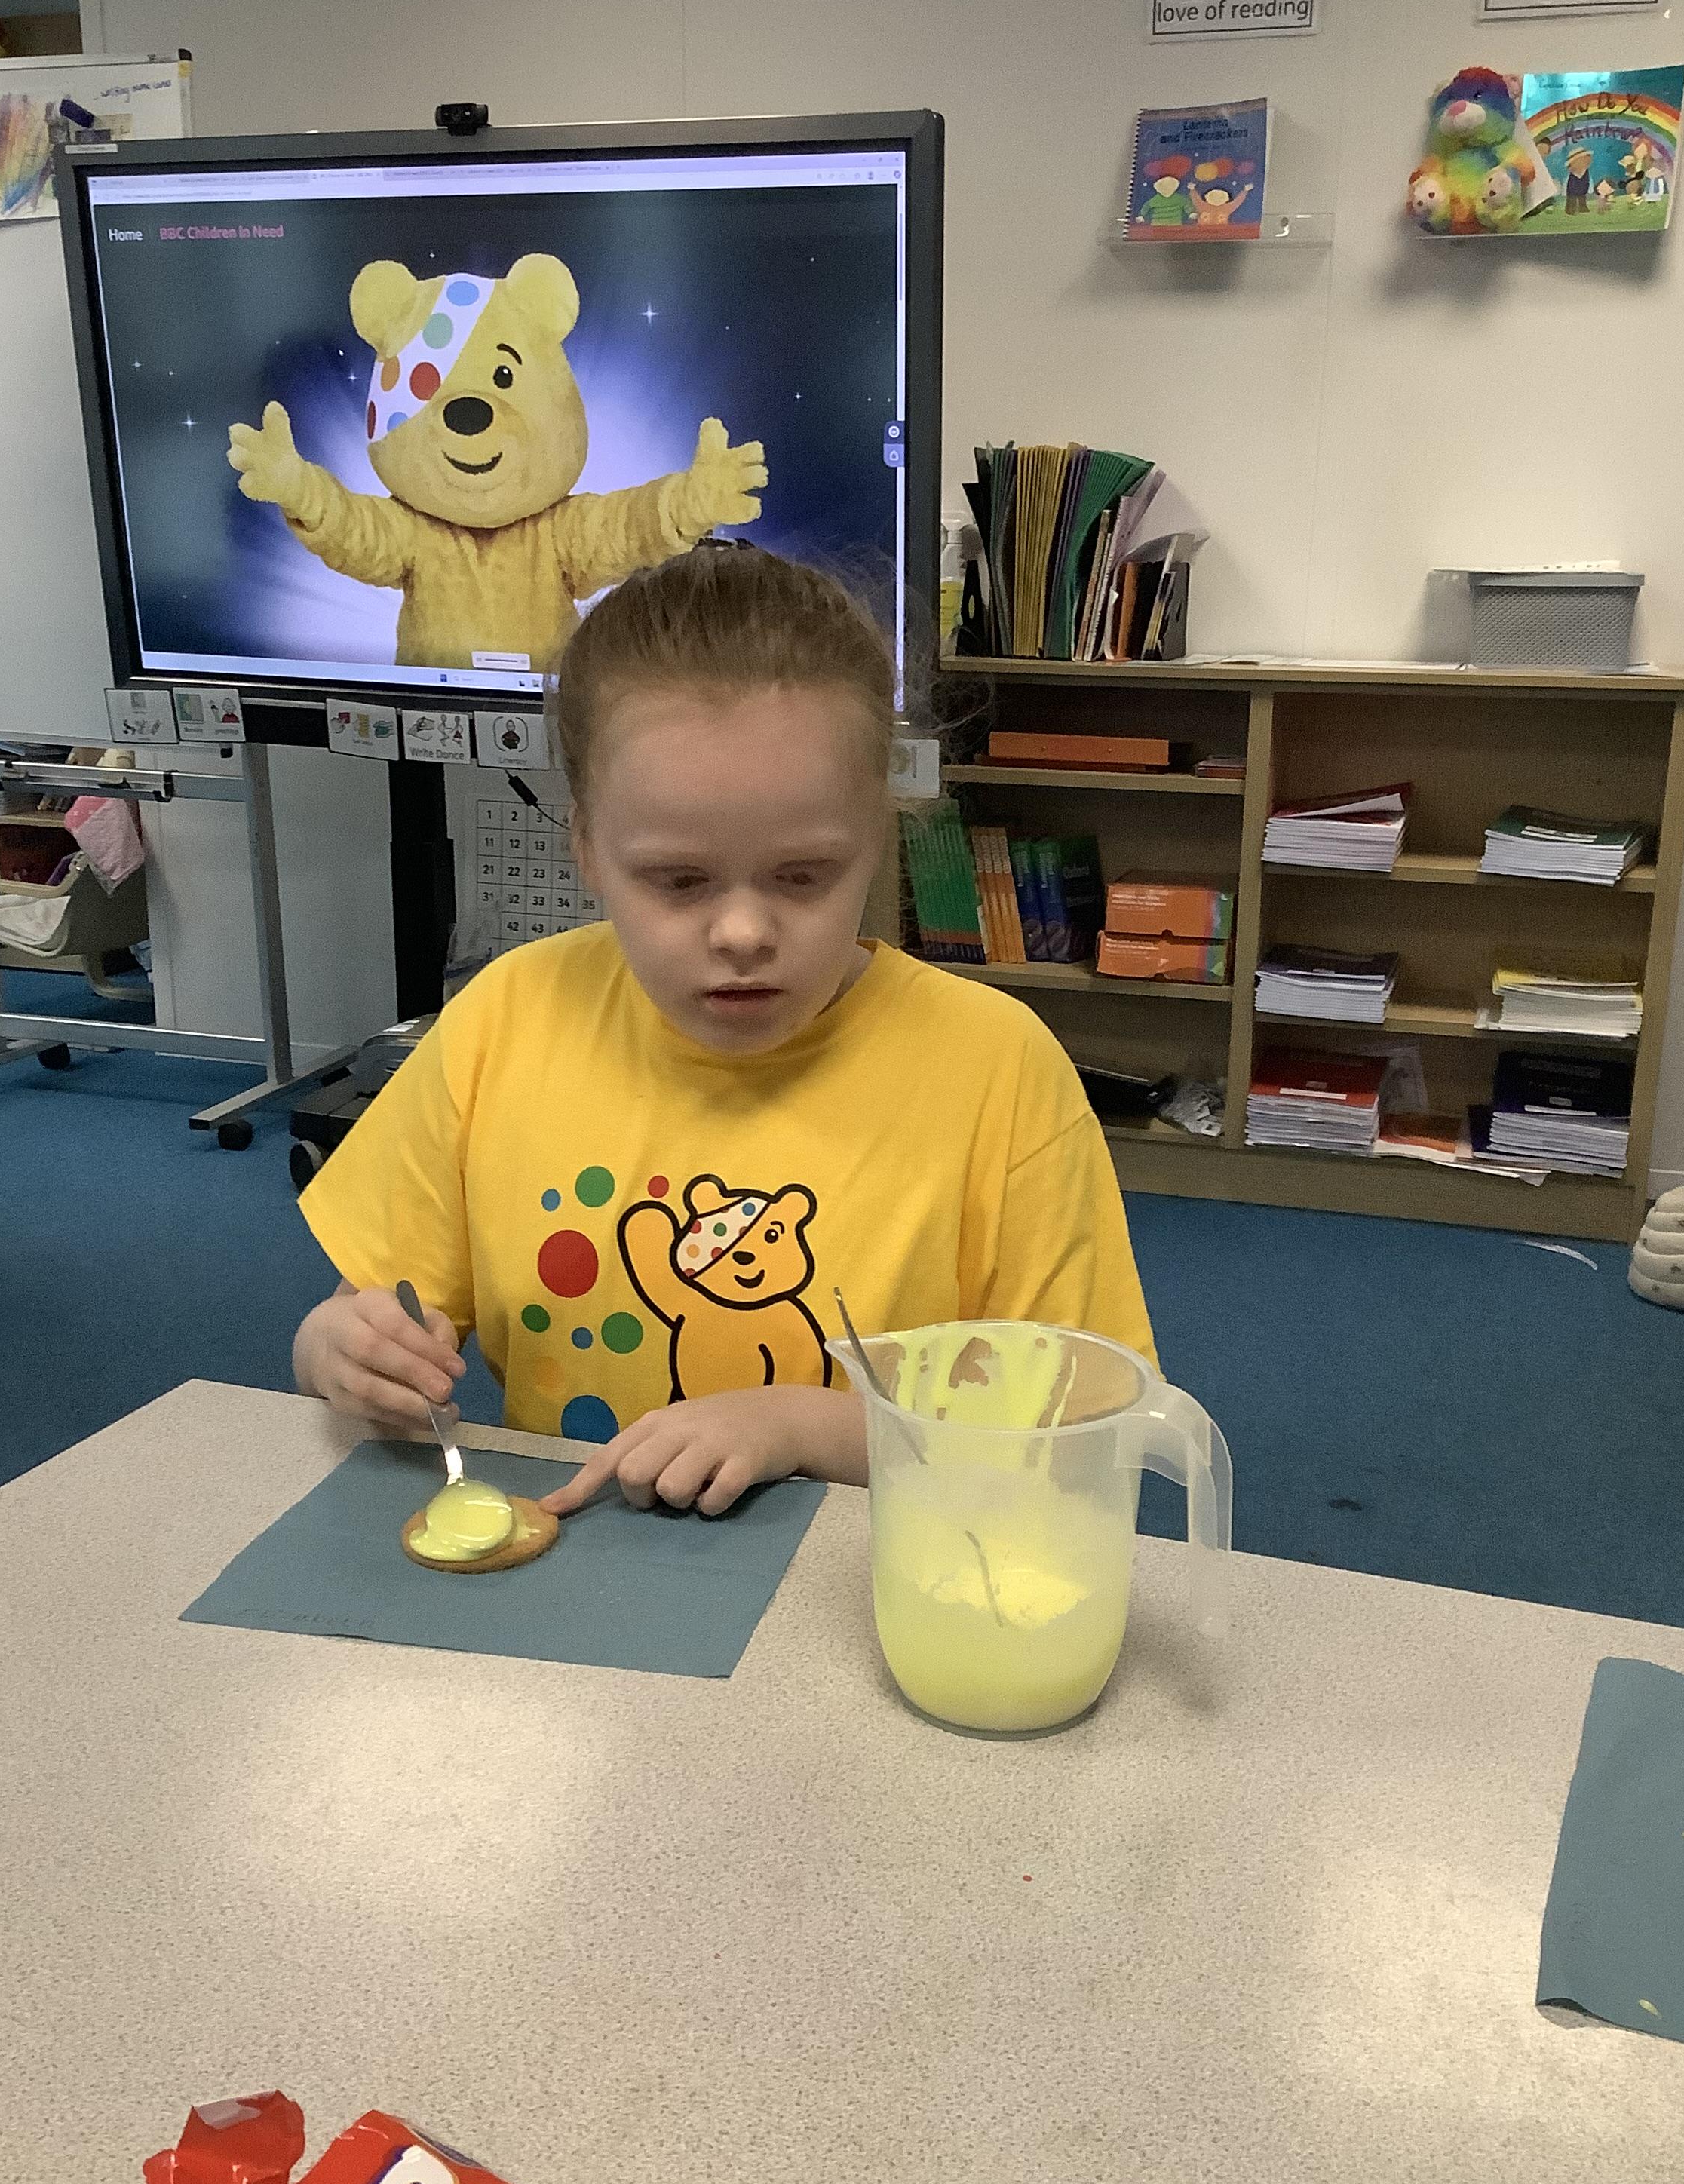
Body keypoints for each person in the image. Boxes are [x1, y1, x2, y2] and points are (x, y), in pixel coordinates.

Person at [293, 543, 1155, 1518]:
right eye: (680, 881)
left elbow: (1086, 1429)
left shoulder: (996, 1067)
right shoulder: (505, 1020)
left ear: (877, 836)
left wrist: (809, 1427)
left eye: (803, 876)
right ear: (587, 848)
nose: (743, 932)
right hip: (587, 1564)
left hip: (891, 1574)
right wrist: (337, 1351)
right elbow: (370, 1314)